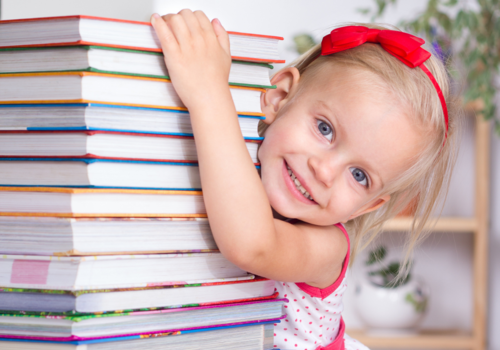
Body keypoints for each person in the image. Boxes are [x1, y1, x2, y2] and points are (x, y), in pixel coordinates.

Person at [150, 10, 458, 350]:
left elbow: (252, 245)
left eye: (359, 176)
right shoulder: (236, 176)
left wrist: (208, 92)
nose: (324, 171)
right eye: (324, 129)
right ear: (281, 98)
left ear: (367, 206)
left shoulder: (327, 247)